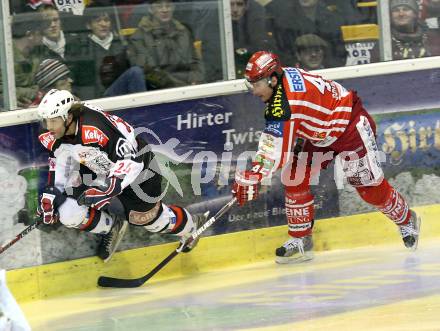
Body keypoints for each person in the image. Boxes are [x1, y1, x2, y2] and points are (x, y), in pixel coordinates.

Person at [232, 51, 421, 264]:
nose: (254, 91)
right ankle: (301, 239)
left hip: (349, 127)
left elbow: (274, 150)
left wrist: (255, 174)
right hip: (322, 134)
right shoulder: (282, 79)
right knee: (294, 176)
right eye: (251, 85)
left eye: (256, 84)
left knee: (368, 189)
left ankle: (406, 219)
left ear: (273, 79)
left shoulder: (283, 105)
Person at [36, 89, 207, 262]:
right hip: (97, 167)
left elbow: (132, 161)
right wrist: (54, 192)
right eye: (46, 121)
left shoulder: (95, 129)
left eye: (53, 121)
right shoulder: (56, 134)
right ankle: (111, 227)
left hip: (140, 170)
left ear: (69, 117)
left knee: (149, 221)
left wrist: (109, 187)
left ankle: (192, 225)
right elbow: (62, 161)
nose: (49, 127)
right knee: (67, 211)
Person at [68, 6, 146, 99]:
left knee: (135, 72)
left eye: (106, 20)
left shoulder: (121, 44)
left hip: (118, 97)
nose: (103, 24)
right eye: (98, 21)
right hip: (92, 101)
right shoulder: (81, 47)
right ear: (89, 25)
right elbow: (74, 80)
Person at [128, 0, 205, 90]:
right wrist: (181, 86)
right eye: (159, 6)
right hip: (160, 91)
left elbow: (196, 62)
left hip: (190, 86)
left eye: (168, 6)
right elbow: (148, 73)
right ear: (151, 9)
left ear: (173, 8)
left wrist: (196, 80)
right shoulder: (139, 37)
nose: (165, 10)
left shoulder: (184, 32)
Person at [372, 0, 440, 60]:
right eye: (396, 10)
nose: (401, 14)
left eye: (406, 9)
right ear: (390, 16)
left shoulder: (435, 38)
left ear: (415, 14)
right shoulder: (383, 46)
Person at [230, 0, 274, 77]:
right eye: (231, 5)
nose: (235, 9)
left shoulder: (254, 24)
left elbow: (261, 47)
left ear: (246, 6)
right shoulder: (217, 27)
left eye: (239, 5)